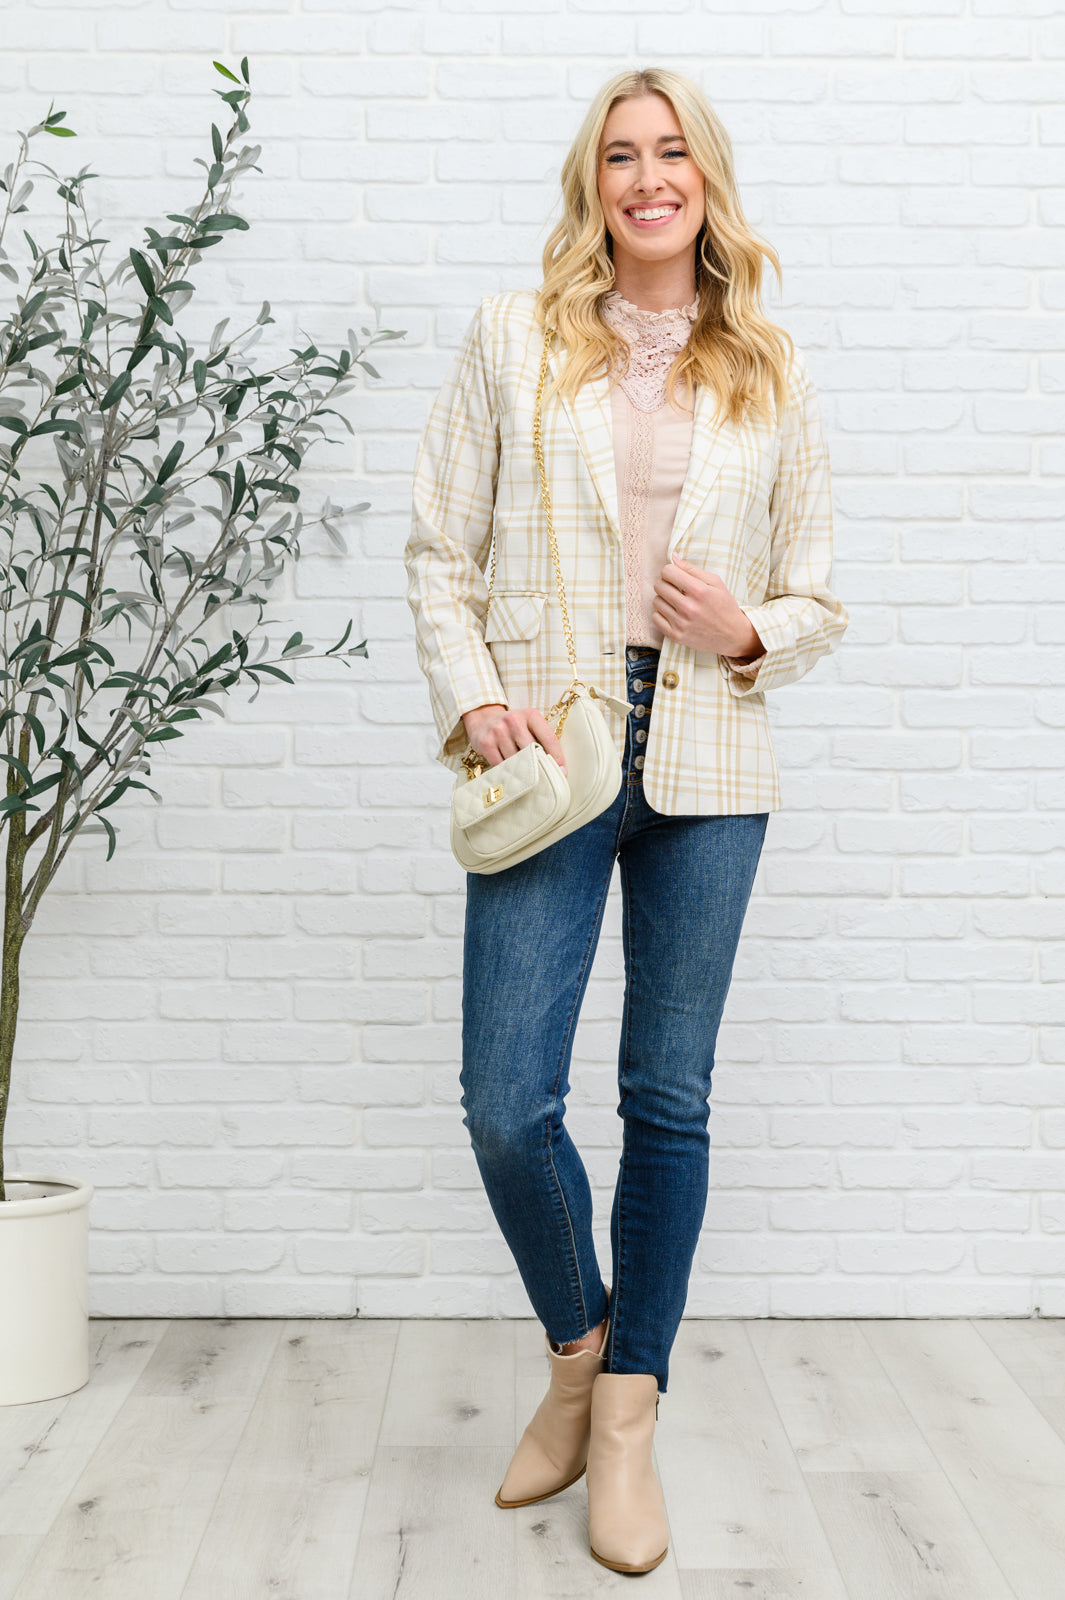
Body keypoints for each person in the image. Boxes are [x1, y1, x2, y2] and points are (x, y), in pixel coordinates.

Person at [404, 65, 848, 1576]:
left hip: (709, 761)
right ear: (590, 184)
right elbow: (437, 549)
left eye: (671, 153)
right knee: (505, 1102)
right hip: (553, 754)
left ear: (705, 178)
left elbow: (817, 595)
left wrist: (746, 628)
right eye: (620, 156)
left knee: (666, 1097)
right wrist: (476, 700)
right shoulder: (511, 337)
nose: (647, 178)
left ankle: (632, 1413)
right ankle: (578, 1357)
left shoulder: (770, 368)